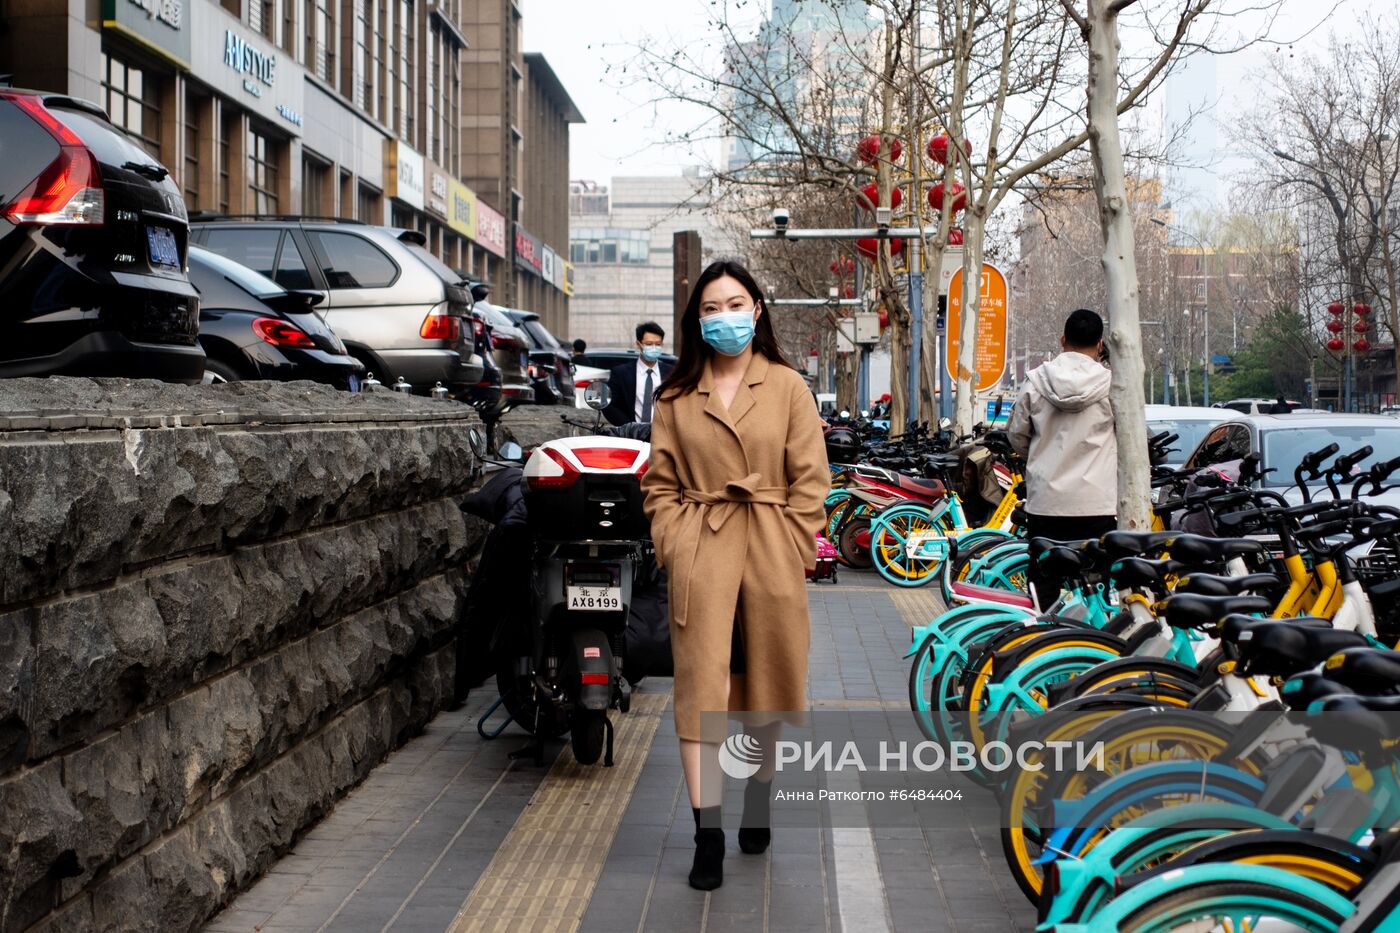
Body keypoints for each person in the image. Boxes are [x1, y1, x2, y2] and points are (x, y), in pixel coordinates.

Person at [641, 260, 828, 891]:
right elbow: (659, 486)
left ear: (758, 310)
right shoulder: (675, 396)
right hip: (703, 552)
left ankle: (759, 798)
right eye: (713, 308)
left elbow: (812, 482)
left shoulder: (787, 387)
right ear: (697, 320)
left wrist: (795, 543)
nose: (726, 317)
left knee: (766, 689)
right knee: (703, 695)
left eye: (737, 303)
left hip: (771, 552)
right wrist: (674, 541)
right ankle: (707, 834)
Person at [1007, 309, 1117, 610]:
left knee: (1044, 589)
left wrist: (1043, 459)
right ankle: (1091, 649)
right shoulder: (1114, 387)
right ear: (1100, 344)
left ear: (1062, 340)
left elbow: (1017, 435)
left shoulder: (1035, 382)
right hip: (1097, 506)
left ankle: (1042, 647)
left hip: (1045, 505)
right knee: (1097, 591)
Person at [602, 322, 673, 426]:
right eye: (649, 344)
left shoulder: (671, 373)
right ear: (638, 344)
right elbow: (609, 404)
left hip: (663, 434)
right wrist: (629, 428)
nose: (654, 348)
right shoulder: (621, 373)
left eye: (658, 344)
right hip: (631, 436)